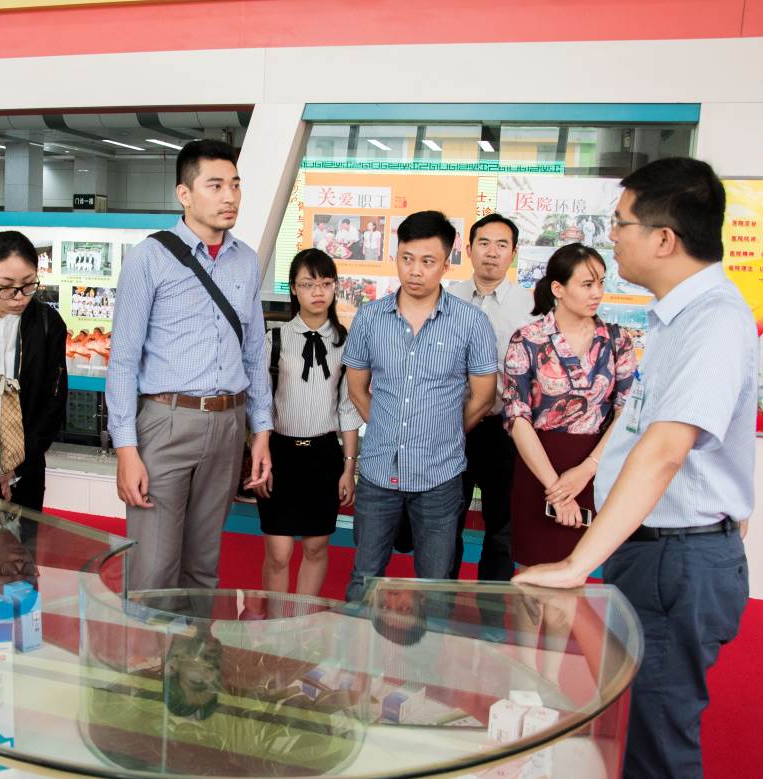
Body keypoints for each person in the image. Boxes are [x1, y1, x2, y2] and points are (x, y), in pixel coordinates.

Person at [514, 158, 754, 779]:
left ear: (664, 238)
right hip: (658, 551)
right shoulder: (675, 318)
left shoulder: (714, 321)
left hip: (675, 557)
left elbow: (665, 449)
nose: (612, 235)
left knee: (655, 743)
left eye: (621, 222)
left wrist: (577, 564)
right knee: (632, 726)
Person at [106, 139, 272, 592]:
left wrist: (261, 431)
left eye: (235, 185)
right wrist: (126, 450)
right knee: (153, 567)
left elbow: (254, 352)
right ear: (184, 194)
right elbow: (123, 361)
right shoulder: (148, 258)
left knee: (203, 565)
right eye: (215, 186)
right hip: (166, 421)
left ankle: (195, 642)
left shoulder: (246, 261)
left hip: (229, 424)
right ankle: (146, 642)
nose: (229, 196)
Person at [342, 211, 497, 603]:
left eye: (428, 261)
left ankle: (434, 646)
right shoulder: (369, 318)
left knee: (436, 585)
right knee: (364, 577)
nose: (415, 271)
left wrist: (445, 434)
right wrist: (386, 428)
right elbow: (357, 389)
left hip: (440, 478)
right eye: (406, 258)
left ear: (446, 264)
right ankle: (355, 644)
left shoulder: (471, 322)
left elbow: (483, 396)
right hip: (378, 473)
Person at [503, 243, 637, 567]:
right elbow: (517, 417)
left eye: (601, 282)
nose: (597, 293)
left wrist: (587, 469)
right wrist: (557, 489)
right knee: (532, 580)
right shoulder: (527, 339)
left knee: (579, 578)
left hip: (595, 470)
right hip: (539, 469)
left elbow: (627, 412)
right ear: (558, 289)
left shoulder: (618, 340)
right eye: (587, 284)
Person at [253, 249, 362, 600]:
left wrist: (349, 468)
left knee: (316, 548)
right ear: (293, 289)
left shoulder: (346, 344)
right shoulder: (274, 340)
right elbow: (259, 405)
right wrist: (260, 456)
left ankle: (301, 624)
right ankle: (275, 626)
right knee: (278, 552)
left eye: (326, 284)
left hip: (324, 456)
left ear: (335, 288)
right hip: (279, 454)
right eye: (308, 284)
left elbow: (348, 409)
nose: (318, 292)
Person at [446, 214, 534, 584]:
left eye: (501, 245)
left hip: (505, 430)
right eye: (484, 243)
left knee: (502, 527)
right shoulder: (446, 298)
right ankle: (438, 603)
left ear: (513, 253)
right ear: (469, 250)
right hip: (452, 426)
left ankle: (493, 607)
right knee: (446, 521)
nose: (492, 253)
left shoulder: (530, 307)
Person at [0, 230, 69, 513]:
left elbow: (53, 401)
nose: (19, 297)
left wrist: (15, 467)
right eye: (7, 287)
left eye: (28, 284)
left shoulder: (47, 323)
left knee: (22, 538)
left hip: (26, 466)